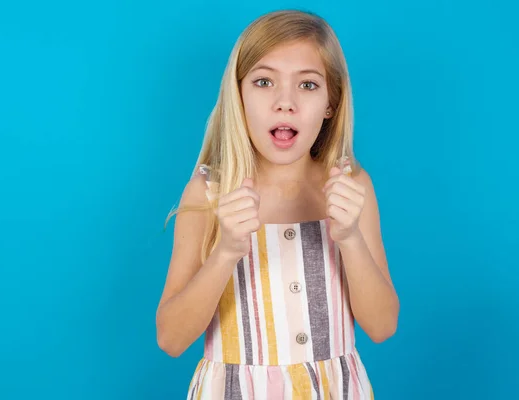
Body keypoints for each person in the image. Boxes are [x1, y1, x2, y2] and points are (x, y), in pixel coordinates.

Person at [156, 9, 400, 399]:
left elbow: (383, 326)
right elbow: (170, 338)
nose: (285, 102)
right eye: (264, 81)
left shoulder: (352, 186)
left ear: (331, 102)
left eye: (307, 85)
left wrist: (351, 238)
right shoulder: (208, 194)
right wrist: (226, 252)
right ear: (238, 95)